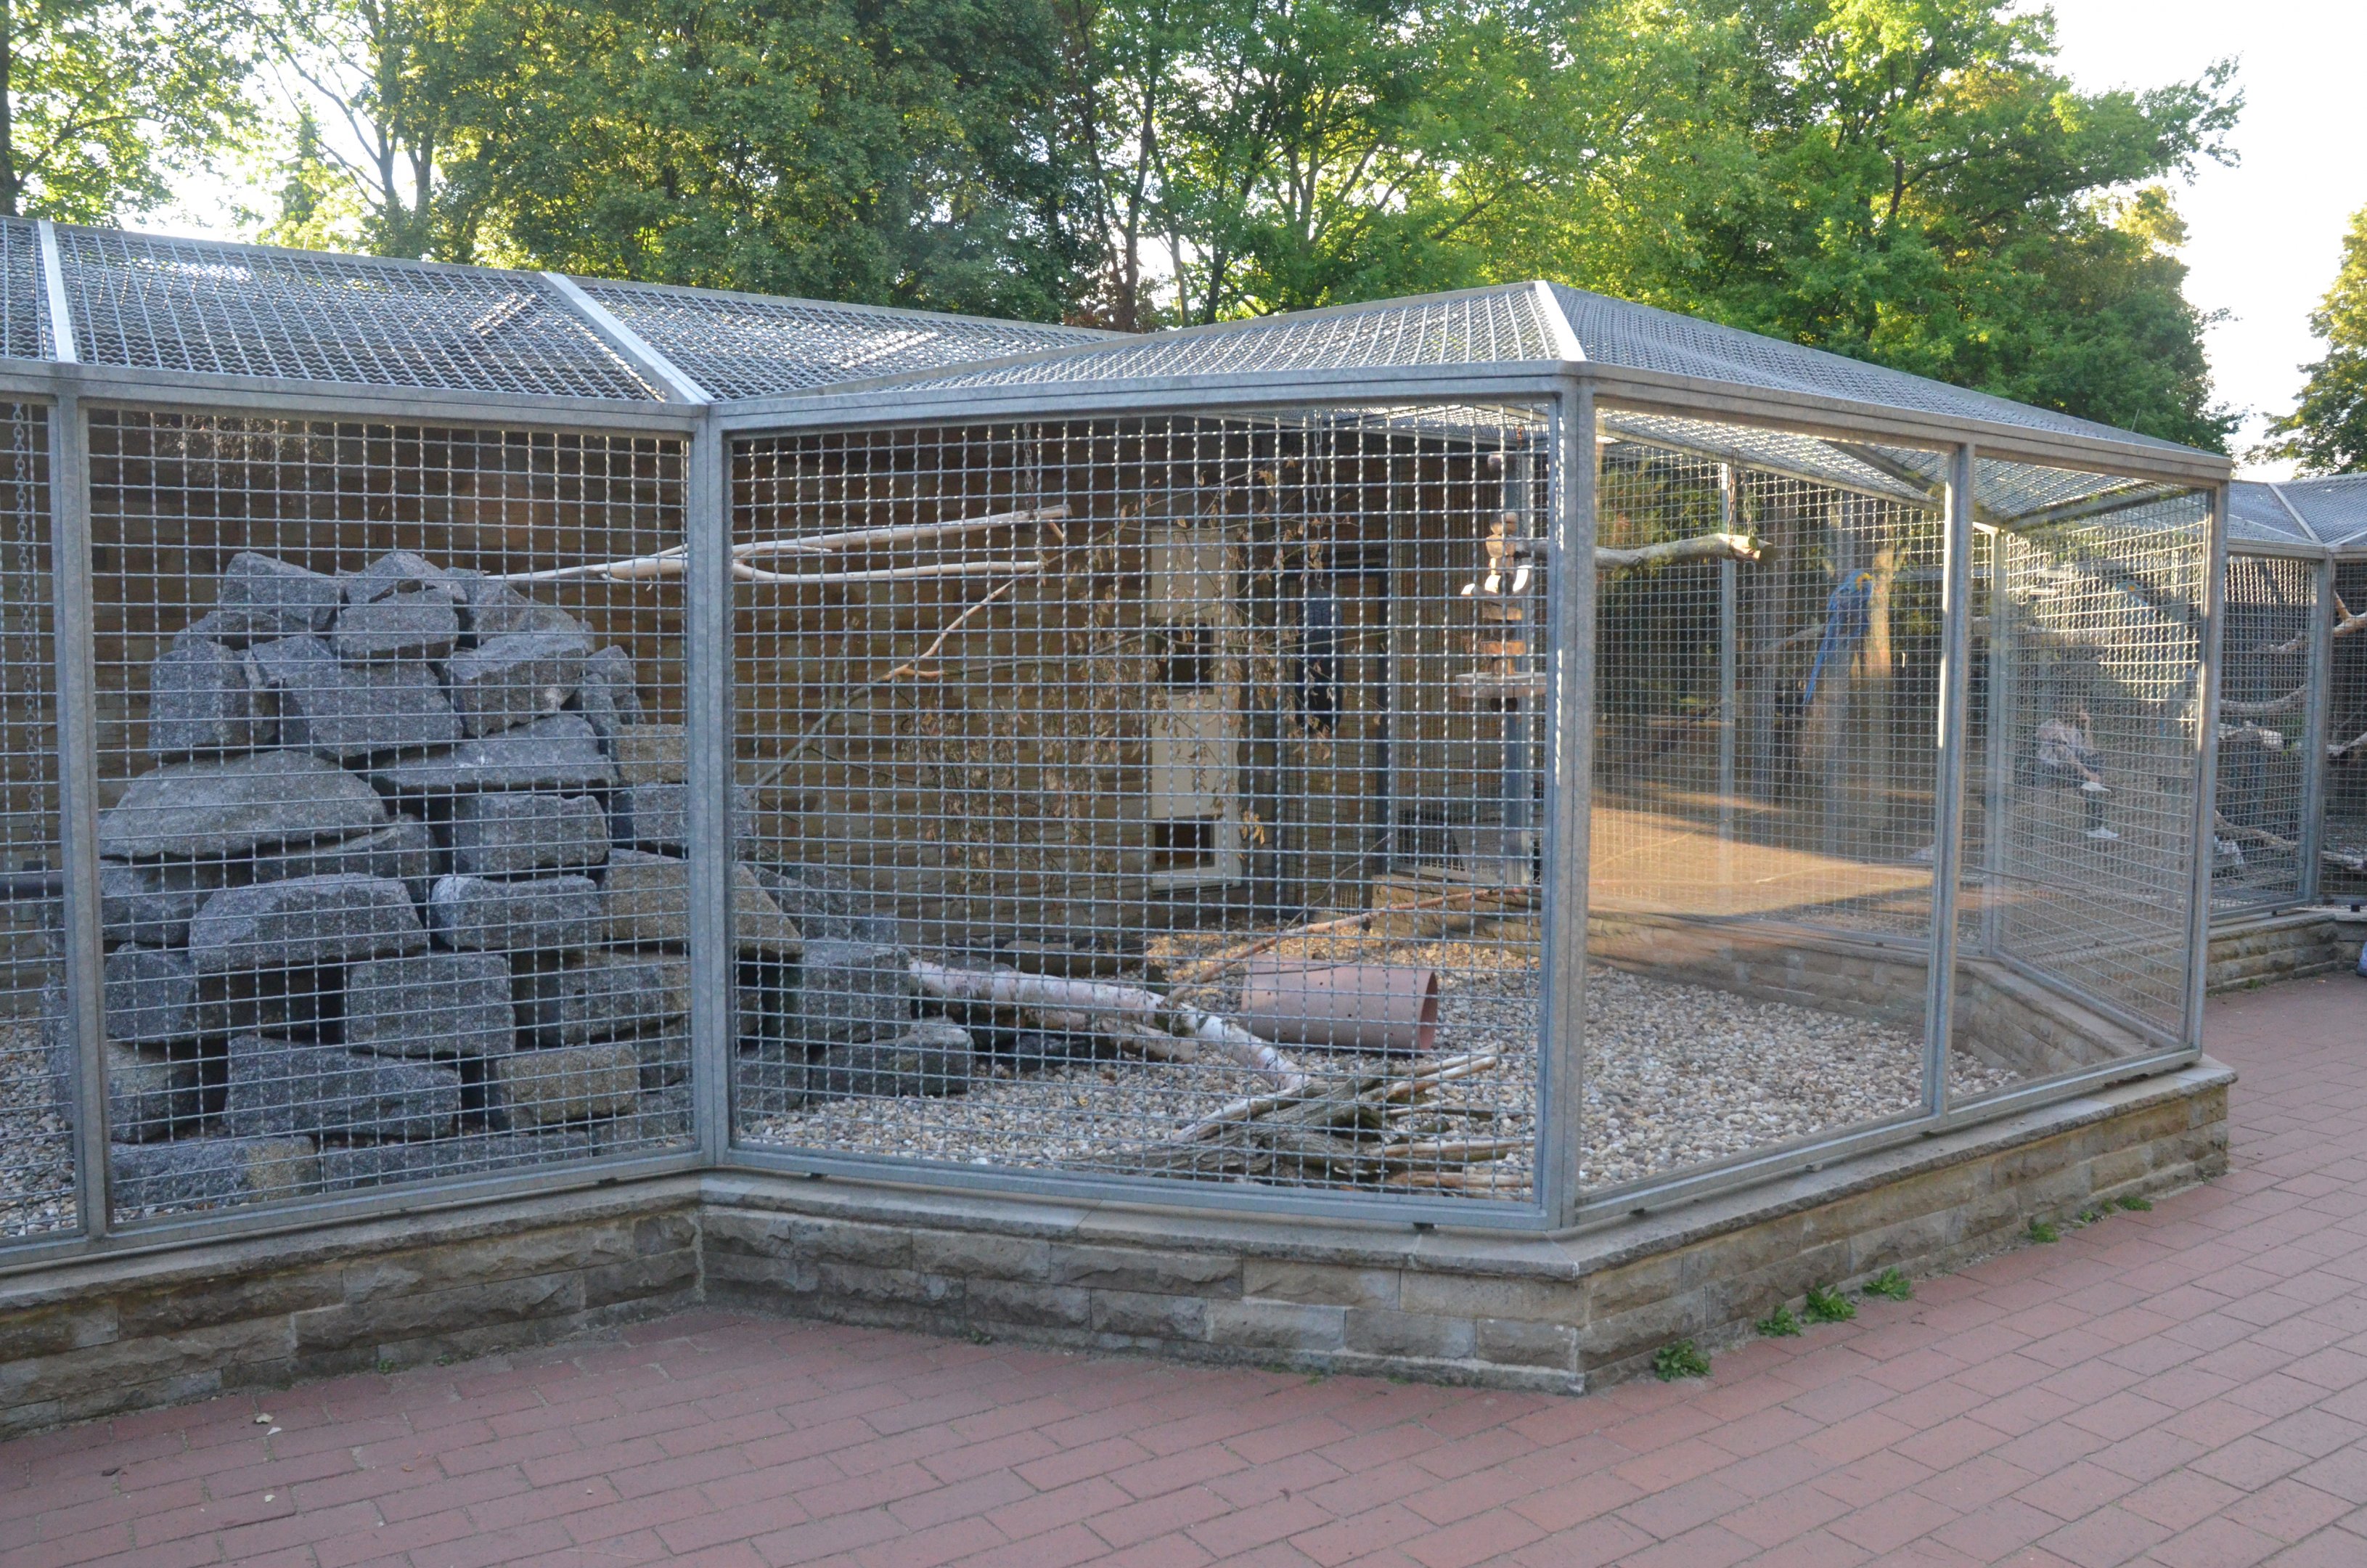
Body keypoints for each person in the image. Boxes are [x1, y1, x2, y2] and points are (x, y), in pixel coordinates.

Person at [2035, 705, 2117, 841]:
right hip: (2050, 767)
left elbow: (2089, 752)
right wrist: (2087, 773)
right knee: (2086, 780)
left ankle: (2092, 786)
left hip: (2072, 767)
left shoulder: (2073, 729)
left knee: (2096, 759)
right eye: (2081, 710)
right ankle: (2095, 827)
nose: (2085, 712)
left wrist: (2087, 726)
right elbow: (2064, 755)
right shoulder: (2052, 726)